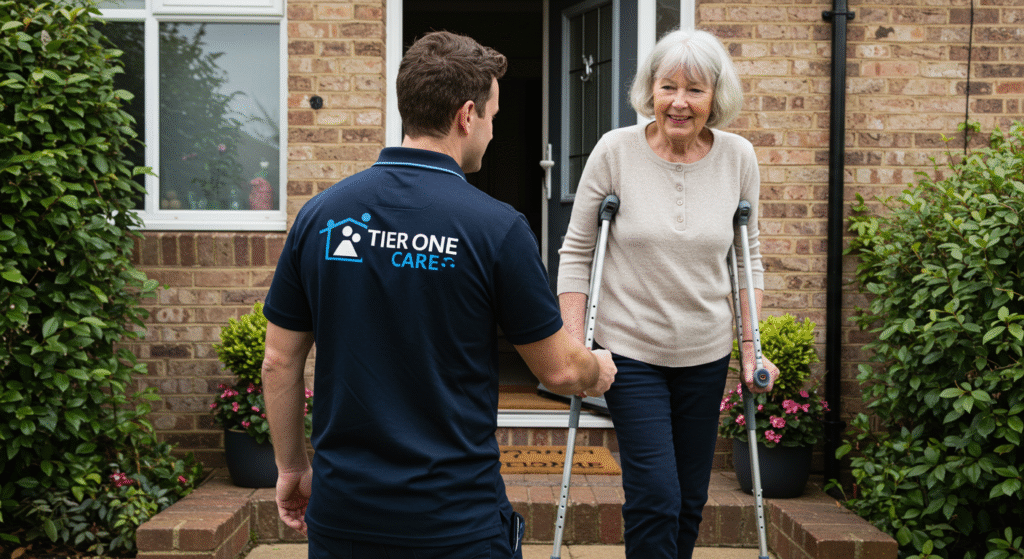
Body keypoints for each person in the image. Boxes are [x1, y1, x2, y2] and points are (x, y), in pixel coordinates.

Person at [260, 31, 616, 559]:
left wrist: (292, 468)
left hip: (344, 518)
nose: (492, 133)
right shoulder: (496, 228)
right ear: (466, 115)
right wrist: (598, 370)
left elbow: (278, 360)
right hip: (454, 524)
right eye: (492, 117)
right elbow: (560, 371)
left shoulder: (323, 215)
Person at [556, 29, 781, 559]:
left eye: (695, 90)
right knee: (656, 494)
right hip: (631, 350)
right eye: (668, 87)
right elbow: (577, 252)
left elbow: (748, 260)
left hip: (705, 352)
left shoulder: (737, 158)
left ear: (715, 97)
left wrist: (751, 346)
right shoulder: (615, 151)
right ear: (649, 90)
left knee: (689, 499)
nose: (679, 102)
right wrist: (573, 346)